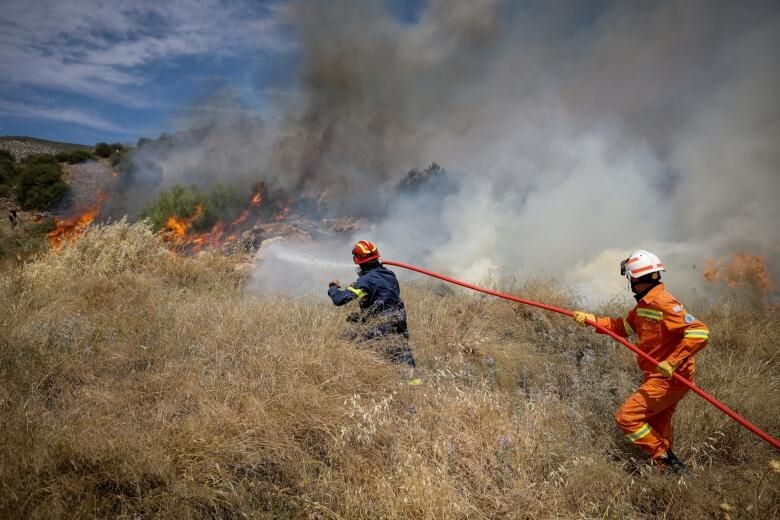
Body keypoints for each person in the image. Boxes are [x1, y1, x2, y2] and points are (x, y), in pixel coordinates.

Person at [572, 250, 709, 474]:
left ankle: (668, 462)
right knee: (657, 423)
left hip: (669, 378)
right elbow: (623, 328)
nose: (630, 284)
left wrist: (672, 362)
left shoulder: (663, 302)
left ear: (637, 279)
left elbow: (699, 332)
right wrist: (592, 320)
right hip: (659, 375)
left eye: (631, 279)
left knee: (627, 418)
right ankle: (669, 474)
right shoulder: (644, 305)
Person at [328, 240, 419, 381]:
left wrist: (333, 287)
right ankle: (413, 386)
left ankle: (373, 383)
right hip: (399, 320)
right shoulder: (390, 275)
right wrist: (361, 318)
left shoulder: (365, 281)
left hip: (381, 325)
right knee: (402, 354)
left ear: (358, 261)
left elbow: (340, 300)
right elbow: (384, 300)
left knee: (346, 344)